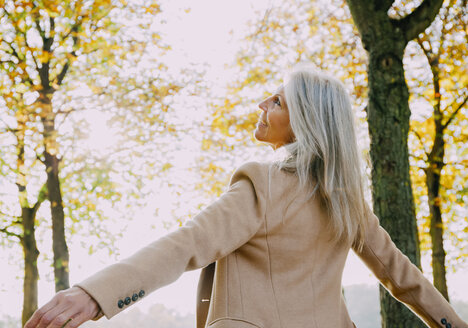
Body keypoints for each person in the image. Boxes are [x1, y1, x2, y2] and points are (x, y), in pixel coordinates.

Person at [24, 69, 467, 328]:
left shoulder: (263, 182)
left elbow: (187, 243)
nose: (262, 104)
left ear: (304, 121)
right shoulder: (347, 202)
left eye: (276, 101)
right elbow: (405, 279)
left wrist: (94, 295)